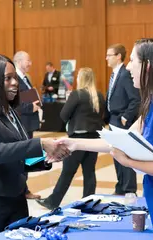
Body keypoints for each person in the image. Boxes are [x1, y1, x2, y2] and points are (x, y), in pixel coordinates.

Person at [53, 39, 153, 240]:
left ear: (147, 66)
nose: (129, 67)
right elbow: (118, 141)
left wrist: (128, 162)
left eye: (132, 61)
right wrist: (75, 143)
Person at [0, 53, 69, 239]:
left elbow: (18, 159)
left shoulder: (11, 113)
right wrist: (40, 144)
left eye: (15, 77)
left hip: (16, 199)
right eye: (8, 78)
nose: (15, 83)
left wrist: (47, 158)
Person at [36, 68, 105, 209]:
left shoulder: (77, 94)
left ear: (82, 79)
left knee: (67, 172)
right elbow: (103, 115)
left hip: (77, 138)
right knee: (89, 171)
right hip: (93, 138)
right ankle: (89, 201)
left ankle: (53, 201)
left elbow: (63, 114)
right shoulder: (98, 95)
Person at [105, 43, 140, 196]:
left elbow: (135, 99)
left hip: (122, 120)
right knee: (116, 154)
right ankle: (120, 187)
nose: (106, 58)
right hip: (113, 119)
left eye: (109, 55)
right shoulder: (115, 74)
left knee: (125, 156)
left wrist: (126, 117)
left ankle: (129, 189)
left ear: (118, 56)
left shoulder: (125, 74)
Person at [13, 51, 42, 200]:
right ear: (18, 61)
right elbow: (14, 104)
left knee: (26, 158)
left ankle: (23, 189)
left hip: (28, 124)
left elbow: (29, 97)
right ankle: (21, 190)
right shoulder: (15, 79)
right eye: (28, 60)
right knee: (22, 157)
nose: (30, 63)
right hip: (22, 123)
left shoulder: (25, 78)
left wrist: (36, 104)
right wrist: (31, 107)